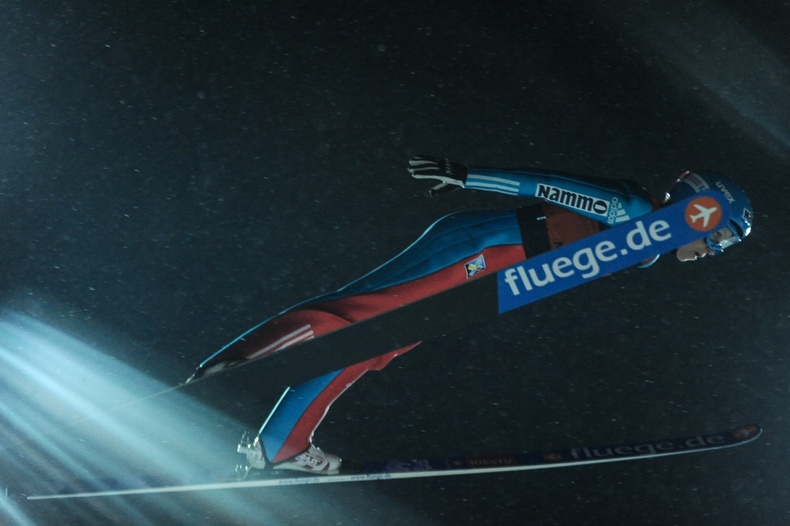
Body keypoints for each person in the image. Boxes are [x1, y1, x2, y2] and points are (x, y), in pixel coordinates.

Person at [188, 156, 753, 475]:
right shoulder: (636, 210)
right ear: (702, 209)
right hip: (483, 249)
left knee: (373, 345)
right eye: (721, 237)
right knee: (361, 318)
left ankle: (281, 444)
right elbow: (553, 187)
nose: (714, 250)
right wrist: (467, 173)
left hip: (492, 272)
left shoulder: (645, 249)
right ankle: (234, 364)